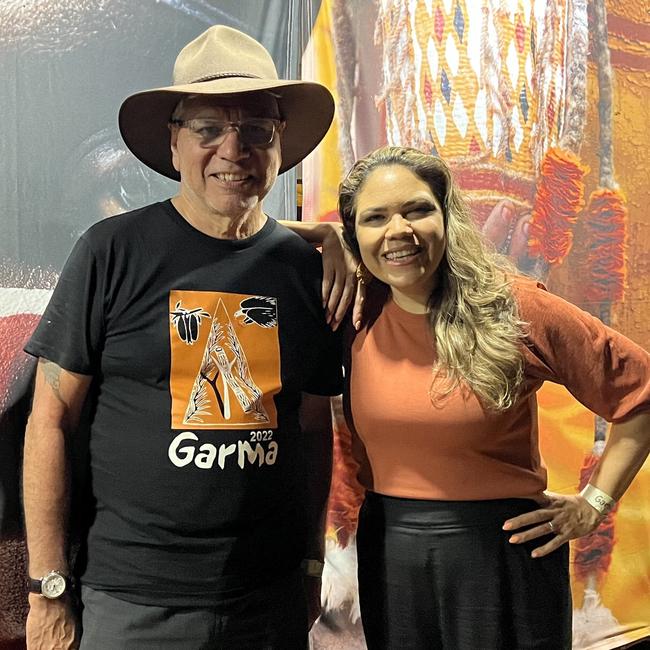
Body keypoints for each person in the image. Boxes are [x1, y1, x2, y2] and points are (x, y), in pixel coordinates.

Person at [22, 25, 342, 650]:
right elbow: (50, 420)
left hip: (267, 602)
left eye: (257, 131)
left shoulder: (307, 270)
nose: (234, 149)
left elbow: (311, 429)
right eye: (208, 129)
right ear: (174, 143)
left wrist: (308, 563)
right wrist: (48, 587)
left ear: (280, 148)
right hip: (131, 602)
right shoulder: (110, 251)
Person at [290, 145, 650, 649]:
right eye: (375, 218)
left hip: (502, 556)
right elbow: (233, 232)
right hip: (390, 552)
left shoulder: (516, 307)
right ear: (356, 236)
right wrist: (326, 235)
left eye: (417, 209)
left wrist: (595, 503)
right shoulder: (354, 308)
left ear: (446, 214)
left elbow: (640, 395)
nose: (399, 231)